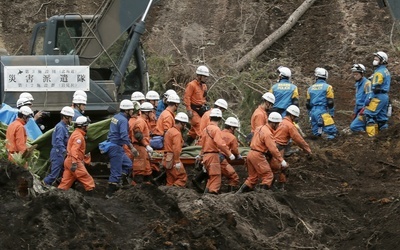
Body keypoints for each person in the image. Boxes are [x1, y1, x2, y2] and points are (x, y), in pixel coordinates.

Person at [237, 112, 287, 193]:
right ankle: (262, 197)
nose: (278, 126)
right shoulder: (268, 133)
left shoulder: (259, 128)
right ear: (273, 123)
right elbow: (273, 149)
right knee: (268, 176)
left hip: (250, 153)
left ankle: (237, 196)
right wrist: (281, 161)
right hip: (258, 155)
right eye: (278, 124)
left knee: (252, 178)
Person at [270, 105, 311, 190]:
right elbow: (298, 140)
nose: (295, 119)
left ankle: (279, 186)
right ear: (292, 116)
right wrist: (308, 150)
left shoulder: (279, 121)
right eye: (295, 117)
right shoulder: (290, 126)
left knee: (280, 168)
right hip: (278, 148)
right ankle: (270, 188)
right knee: (278, 168)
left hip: (271, 146)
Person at [352, 52, 391, 137]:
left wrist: (369, 98)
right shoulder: (385, 71)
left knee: (368, 115)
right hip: (384, 96)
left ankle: (371, 138)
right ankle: (386, 137)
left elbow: (375, 88)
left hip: (378, 97)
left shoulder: (379, 73)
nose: (374, 61)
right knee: (382, 119)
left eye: (376, 59)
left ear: (382, 60)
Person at [105, 100, 138, 199]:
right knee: (116, 171)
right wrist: (132, 148)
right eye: (131, 110)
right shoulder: (123, 120)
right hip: (115, 148)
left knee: (128, 164)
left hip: (114, 146)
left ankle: (120, 183)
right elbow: (124, 136)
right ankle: (110, 193)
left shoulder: (116, 117)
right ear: (127, 110)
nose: (133, 111)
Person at [199, 108, 234, 194]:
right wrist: (229, 154)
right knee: (216, 179)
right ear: (220, 119)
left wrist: (201, 156)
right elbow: (220, 144)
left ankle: (205, 197)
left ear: (210, 118)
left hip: (206, 157)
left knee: (211, 178)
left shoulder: (205, 129)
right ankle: (211, 200)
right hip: (213, 156)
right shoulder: (216, 129)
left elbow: (202, 145)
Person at [58, 116, 94, 193]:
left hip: (69, 160)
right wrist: (74, 162)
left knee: (65, 182)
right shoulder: (79, 136)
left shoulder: (76, 133)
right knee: (87, 179)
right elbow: (74, 150)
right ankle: (92, 199)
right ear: (83, 126)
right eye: (87, 125)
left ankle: (58, 195)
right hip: (74, 161)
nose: (88, 127)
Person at [42, 106, 74, 186]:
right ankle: (43, 184)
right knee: (54, 174)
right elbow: (59, 140)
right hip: (58, 153)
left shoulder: (63, 127)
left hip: (59, 153)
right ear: (66, 117)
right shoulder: (60, 127)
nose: (71, 119)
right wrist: (64, 151)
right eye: (70, 117)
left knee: (62, 172)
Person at [306, 67, 337, 139]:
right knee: (332, 132)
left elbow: (308, 104)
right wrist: (331, 114)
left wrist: (310, 115)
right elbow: (330, 102)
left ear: (316, 77)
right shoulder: (328, 87)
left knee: (316, 134)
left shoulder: (310, 88)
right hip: (322, 111)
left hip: (313, 112)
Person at [184, 65, 209, 146]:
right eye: (204, 76)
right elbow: (187, 97)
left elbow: (204, 98)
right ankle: (201, 146)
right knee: (200, 127)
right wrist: (189, 110)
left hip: (201, 110)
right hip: (193, 109)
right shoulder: (191, 85)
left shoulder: (204, 86)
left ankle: (186, 144)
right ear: (199, 76)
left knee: (193, 131)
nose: (206, 78)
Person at [162, 112, 189, 187]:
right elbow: (176, 149)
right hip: (173, 159)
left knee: (170, 179)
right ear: (182, 123)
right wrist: (177, 161)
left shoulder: (169, 131)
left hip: (167, 158)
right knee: (182, 177)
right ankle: (175, 194)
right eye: (185, 124)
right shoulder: (177, 133)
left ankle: (167, 194)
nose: (185, 126)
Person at [132, 102, 154, 184]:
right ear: (146, 112)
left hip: (142, 149)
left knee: (146, 171)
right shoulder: (140, 121)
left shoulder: (143, 121)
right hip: (140, 148)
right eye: (151, 112)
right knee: (139, 171)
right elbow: (138, 134)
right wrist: (146, 145)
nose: (152, 113)